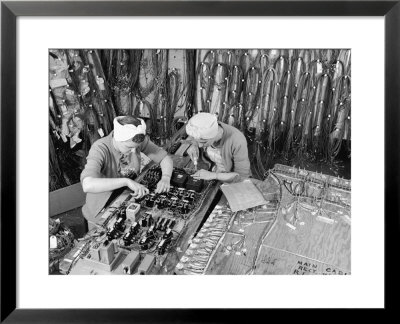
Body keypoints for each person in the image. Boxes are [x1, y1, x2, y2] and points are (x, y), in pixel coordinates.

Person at [81, 116, 173, 226]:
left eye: (137, 147)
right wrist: (126, 181)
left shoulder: (136, 141)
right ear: (117, 139)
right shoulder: (100, 148)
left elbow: (164, 157)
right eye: (129, 147)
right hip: (102, 206)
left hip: (128, 197)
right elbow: (87, 184)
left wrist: (166, 177)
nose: (134, 151)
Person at [185, 112, 251, 183]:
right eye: (197, 141)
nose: (200, 146)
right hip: (212, 169)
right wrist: (194, 145)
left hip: (230, 179)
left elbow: (241, 177)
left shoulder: (237, 140)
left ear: (214, 135)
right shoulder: (206, 126)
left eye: (204, 142)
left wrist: (214, 175)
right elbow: (196, 135)